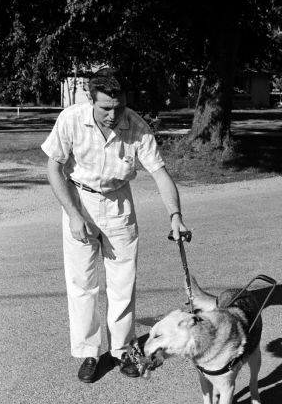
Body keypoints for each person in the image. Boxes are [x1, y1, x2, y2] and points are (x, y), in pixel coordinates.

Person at [41, 70, 188, 382]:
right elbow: (54, 168)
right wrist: (73, 214)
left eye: (118, 107)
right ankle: (89, 353)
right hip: (79, 199)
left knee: (123, 282)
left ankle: (121, 350)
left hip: (119, 203)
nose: (112, 114)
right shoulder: (71, 119)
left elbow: (160, 174)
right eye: (105, 107)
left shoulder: (137, 127)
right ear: (91, 100)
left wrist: (175, 215)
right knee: (83, 284)